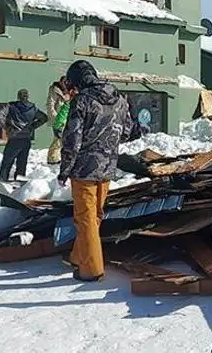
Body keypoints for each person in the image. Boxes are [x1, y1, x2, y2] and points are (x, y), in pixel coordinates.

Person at [58, 60, 132, 281]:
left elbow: (72, 140)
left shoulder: (82, 101)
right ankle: (79, 256)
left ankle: (91, 269)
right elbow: (127, 131)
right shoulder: (119, 98)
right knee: (95, 216)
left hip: (84, 169)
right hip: (108, 166)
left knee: (85, 217)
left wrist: (64, 169)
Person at [0, 89, 48, 182]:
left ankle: (2, 179)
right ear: (28, 96)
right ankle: (20, 182)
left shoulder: (11, 106)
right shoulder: (33, 108)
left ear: (18, 96)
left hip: (14, 137)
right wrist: (32, 127)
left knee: (7, 161)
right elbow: (44, 118)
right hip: (26, 138)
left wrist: (7, 128)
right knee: (22, 163)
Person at [46, 76, 70, 165]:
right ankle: (52, 158)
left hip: (65, 116)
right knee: (59, 138)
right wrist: (55, 117)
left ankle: (56, 157)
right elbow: (50, 104)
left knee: (62, 138)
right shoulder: (55, 90)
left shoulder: (68, 90)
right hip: (58, 118)